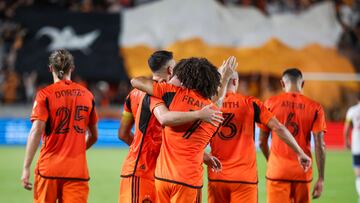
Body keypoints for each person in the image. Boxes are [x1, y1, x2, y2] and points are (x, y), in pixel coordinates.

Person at [118, 51, 223, 203]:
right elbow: (167, 120)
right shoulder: (165, 93)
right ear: (170, 70)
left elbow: (122, 134)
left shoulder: (136, 95)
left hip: (153, 171)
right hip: (154, 171)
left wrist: (141, 146)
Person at [208, 72, 311, 203]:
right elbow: (278, 127)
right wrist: (300, 152)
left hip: (216, 176)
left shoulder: (209, 104)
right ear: (235, 82)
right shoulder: (250, 103)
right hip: (244, 179)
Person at [21, 49, 98, 203]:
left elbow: (36, 131)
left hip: (48, 169)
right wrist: (76, 149)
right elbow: (94, 136)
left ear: (51, 68)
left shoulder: (44, 95)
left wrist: (26, 167)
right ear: (72, 68)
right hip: (77, 171)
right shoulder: (87, 95)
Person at [259, 68, 327, 203]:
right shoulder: (315, 107)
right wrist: (321, 178)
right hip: (303, 171)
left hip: (277, 171)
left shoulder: (270, 103)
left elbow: (261, 142)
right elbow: (320, 145)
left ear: (283, 84)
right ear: (302, 84)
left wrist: (271, 160)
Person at [344, 93, 360, 202]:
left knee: (358, 173)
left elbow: (346, 128)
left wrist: (346, 141)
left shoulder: (352, 110)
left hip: (356, 145)